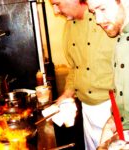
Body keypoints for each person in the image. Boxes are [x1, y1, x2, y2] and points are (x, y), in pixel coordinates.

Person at [49, 0, 117, 149]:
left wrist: (119, 112)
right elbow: (74, 68)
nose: (55, 11)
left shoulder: (107, 21)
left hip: (113, 108)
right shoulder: (68, 27)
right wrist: (67, 94)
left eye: (57, 4)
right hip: (87, 110)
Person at [86, 0, 129, 146]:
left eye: (102, 9)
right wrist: (113, 122)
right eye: (93, 12)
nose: (97, 20)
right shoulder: (120, 39)